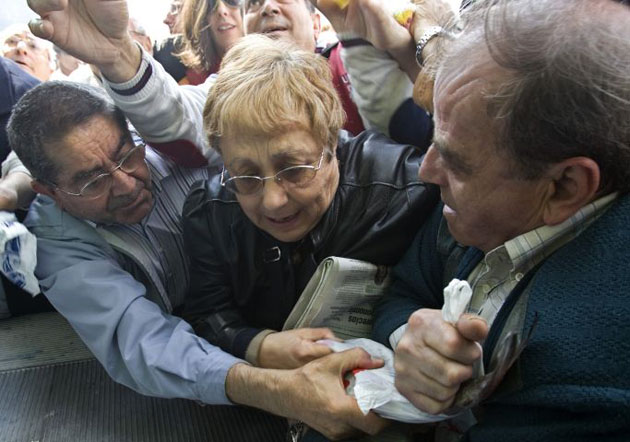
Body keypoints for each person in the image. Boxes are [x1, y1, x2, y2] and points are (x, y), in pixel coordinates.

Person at [7, 81, 386, 440]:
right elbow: (142, 341)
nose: (126, 184)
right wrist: (278, 390)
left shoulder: (175, 132)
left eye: (127, 154)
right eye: (92, 182)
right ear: (48, 192)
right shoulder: (56, 241)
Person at [372, 0, 630, 440]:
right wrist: (407, 335)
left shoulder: (593, 379)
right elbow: (405, 288)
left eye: (455, 162)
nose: (426, 171)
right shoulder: (482, 180)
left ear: (566, 186)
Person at [181, 34, 438, 371]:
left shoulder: (408, 191)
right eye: (246, 176)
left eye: (295, 169)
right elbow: (206, 312)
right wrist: (258, 345)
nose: (273, 201)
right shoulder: (209, 213)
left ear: (332, 140)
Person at [25, 0, 376, 169]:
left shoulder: (359, 64)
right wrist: (117, 56)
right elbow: (179, 121)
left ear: (317, 24)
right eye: (252, 3)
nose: (267, 6)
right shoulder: (229, 90)